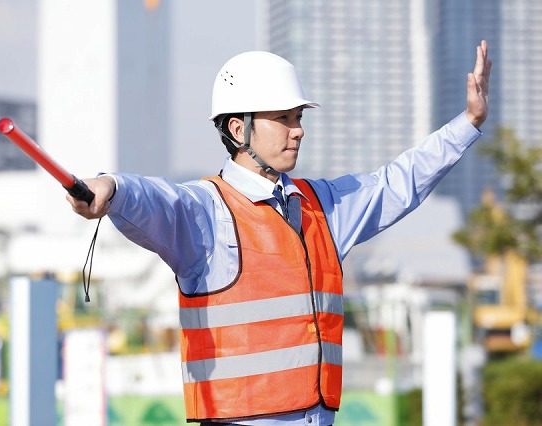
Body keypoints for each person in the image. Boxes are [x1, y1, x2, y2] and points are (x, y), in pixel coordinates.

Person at [67, 41, 491, 426]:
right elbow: (155, 199)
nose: (298, 129)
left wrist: (468, 123)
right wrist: (111, 187)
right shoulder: (205, 210)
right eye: (283, 118)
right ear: (238, 129)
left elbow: (398, 182)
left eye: (298, 117)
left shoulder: (320, 205)